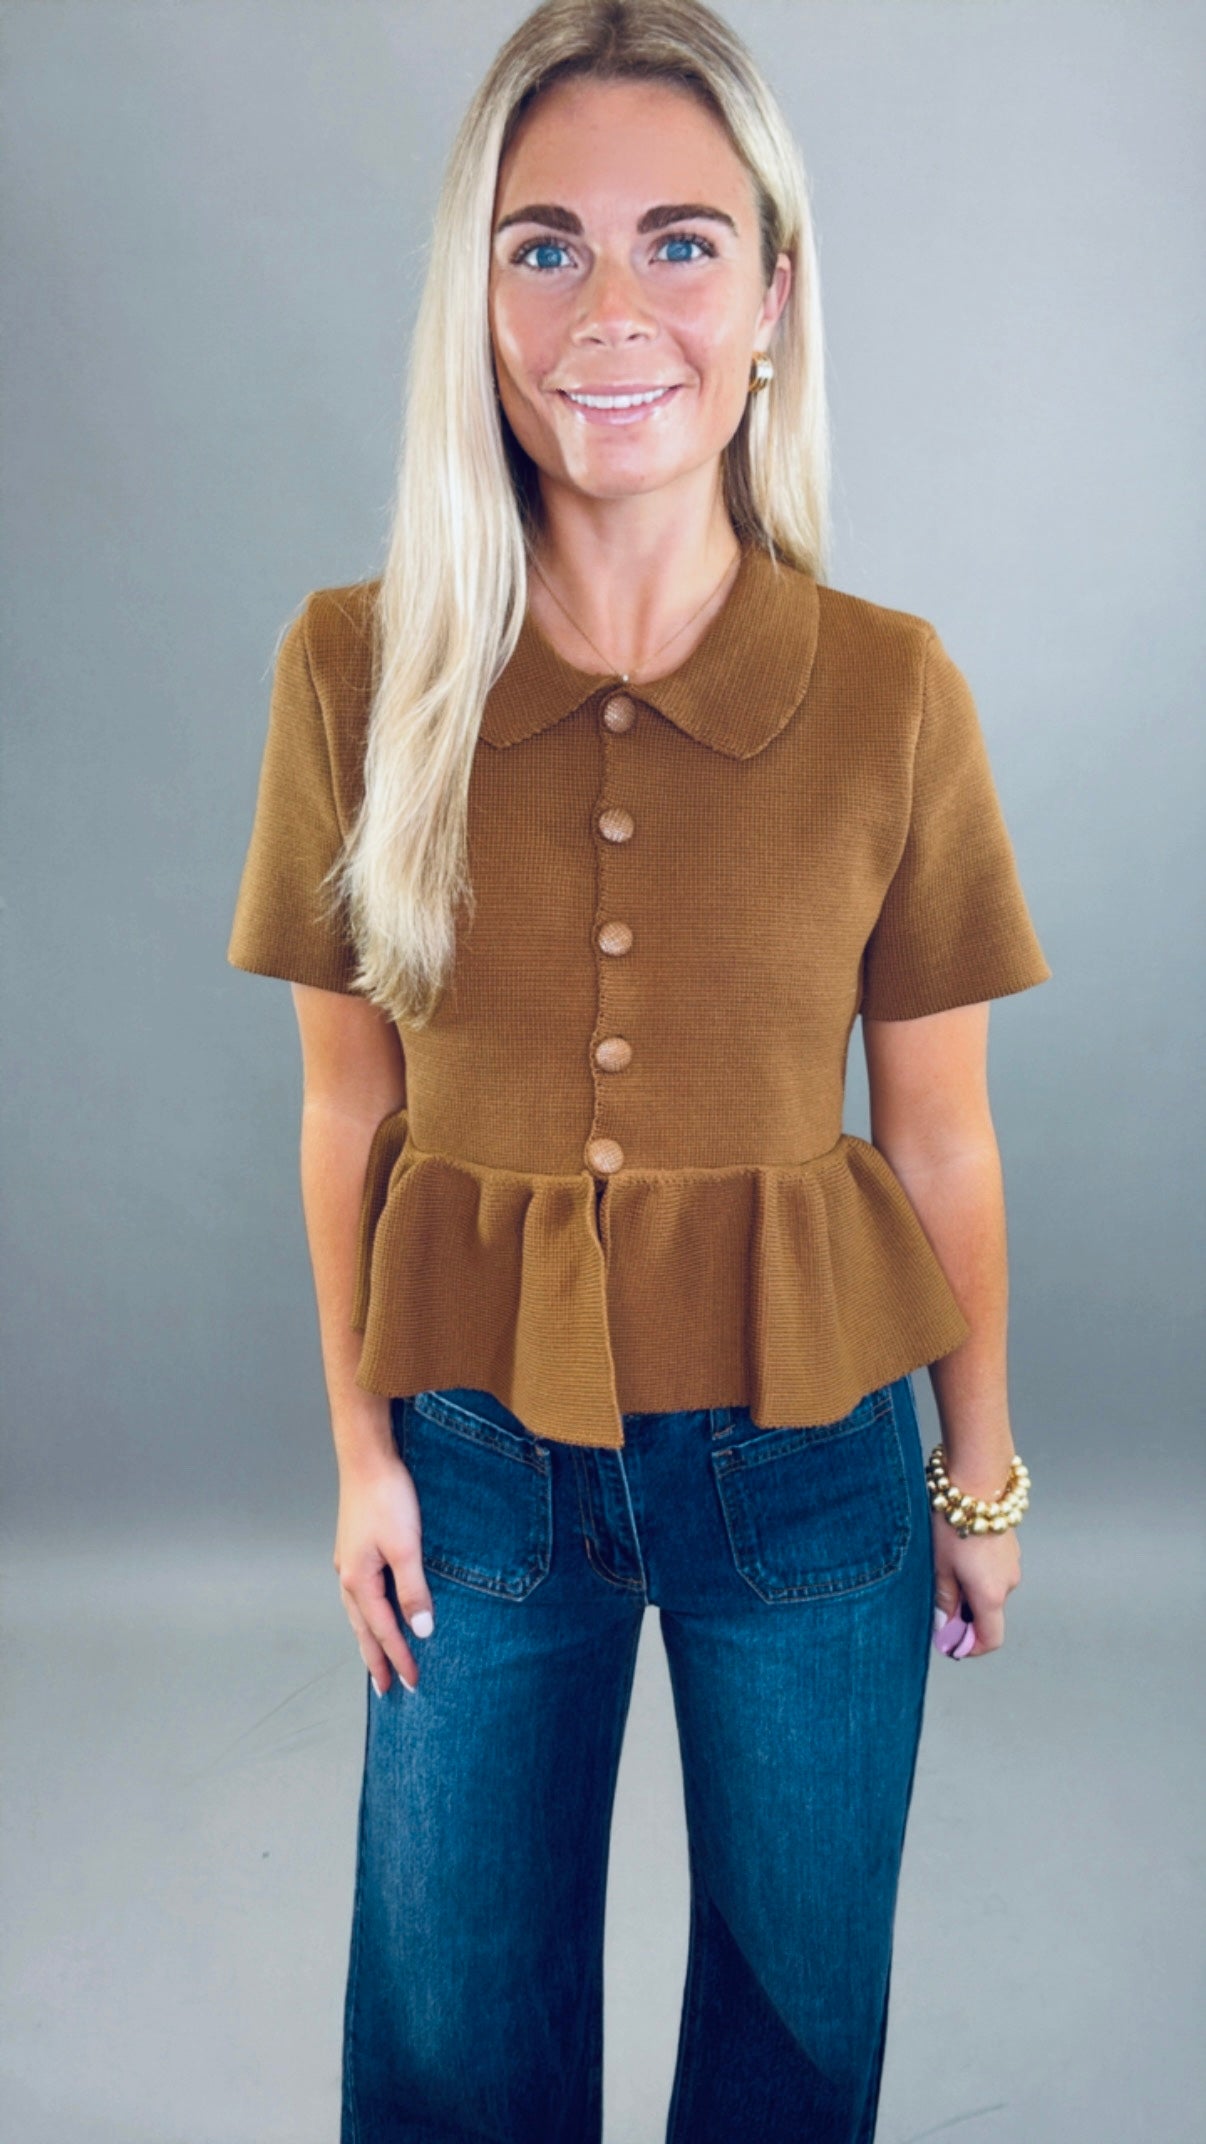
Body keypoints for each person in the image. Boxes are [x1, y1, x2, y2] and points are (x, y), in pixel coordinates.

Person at [226, 2, 1051, 2137]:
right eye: (546, 246)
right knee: (450, 2040)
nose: (613, 308)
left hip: (815, 1459)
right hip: (471, 1457)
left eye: (681, 242)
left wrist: (975, 1477)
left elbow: (941, 1135)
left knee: (797, 2031)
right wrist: (359, 1456)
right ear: (475, 296)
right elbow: (346, 1107)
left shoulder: (891, 693)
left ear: (773, 294)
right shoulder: (354, 668)